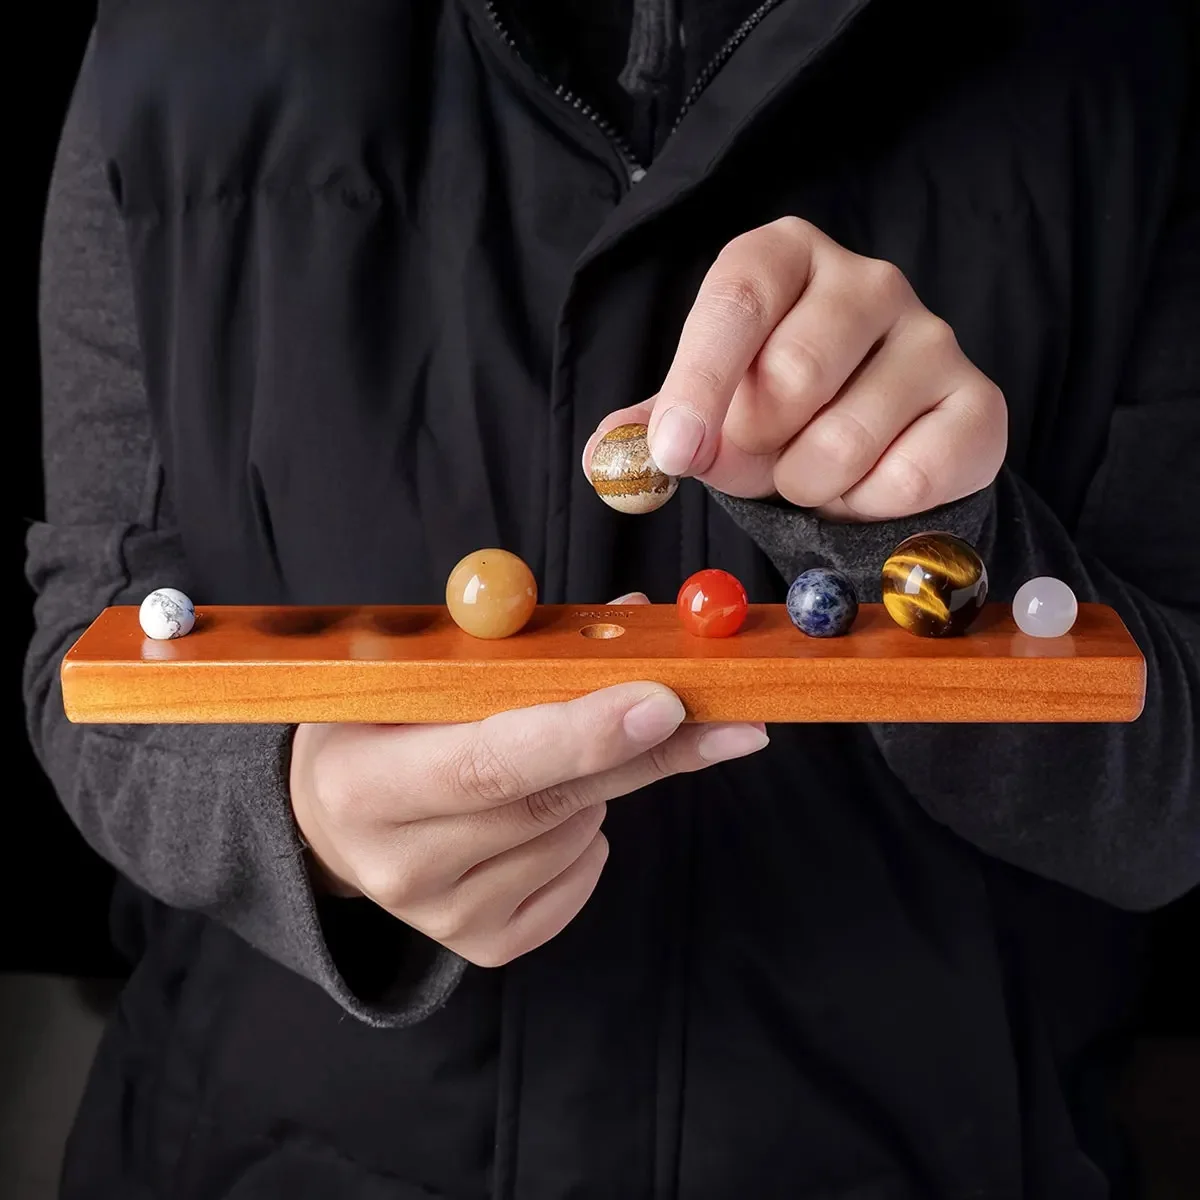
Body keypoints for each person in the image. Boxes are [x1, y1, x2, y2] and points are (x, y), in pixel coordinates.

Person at [25, 2, 1199, 1197]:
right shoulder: (175, 35)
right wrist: (291, 818)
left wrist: (921, 550)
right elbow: (92, 650)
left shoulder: (1121, 59)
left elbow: (1176, 786)